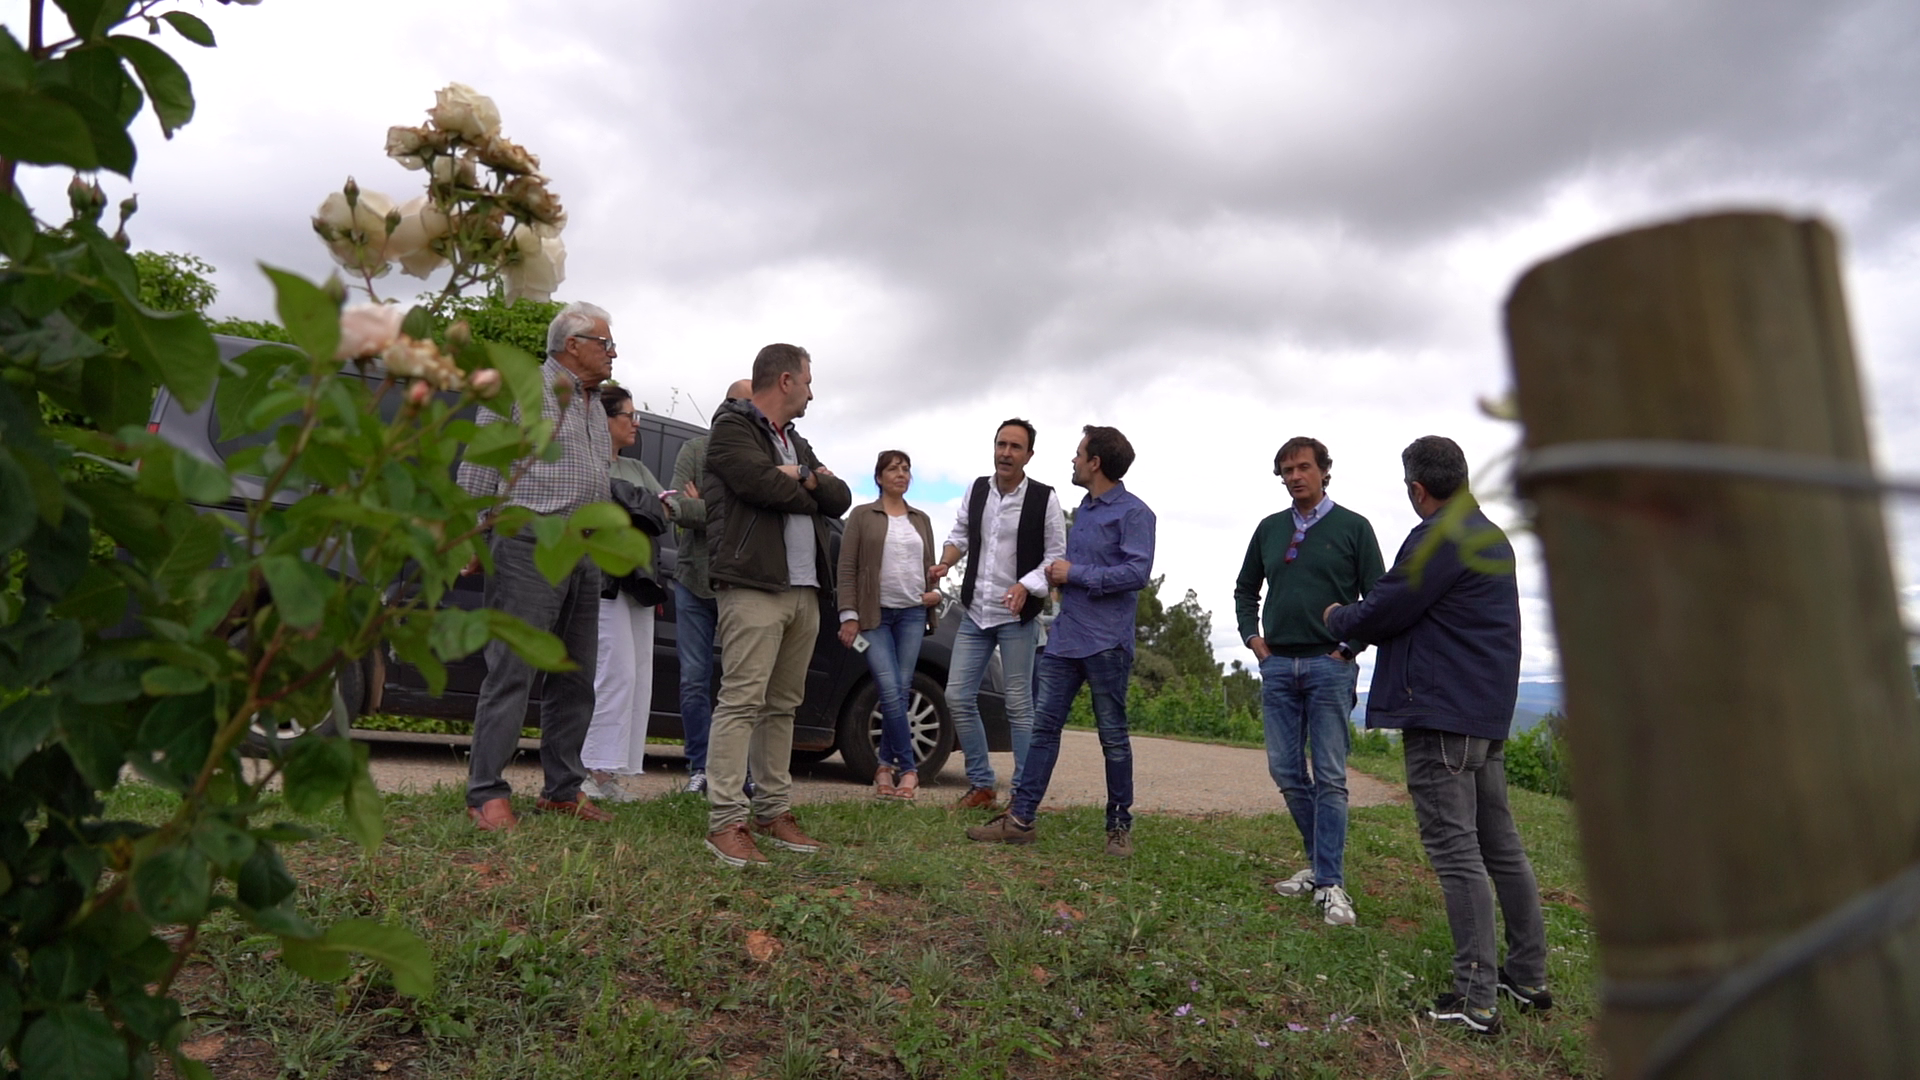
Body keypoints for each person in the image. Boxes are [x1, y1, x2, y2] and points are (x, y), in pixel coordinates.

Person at [1324, 435, 1550, 1035]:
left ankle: (1476, 998)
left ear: (1418, 489)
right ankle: (1528, 976)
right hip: (1483, 718)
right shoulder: (1490, 536)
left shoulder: (1438, 537)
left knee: (1457, 854)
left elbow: (1387, 608)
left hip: (1442, 717)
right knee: (1501, 847)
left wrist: (1338, 619)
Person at [453, 302, 620, 830]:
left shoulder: (593, 402)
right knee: (513, 671)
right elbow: (480, 466)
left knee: (576, 675)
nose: (614, 353)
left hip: (583, 549)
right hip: (528, 542)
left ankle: (562, 789)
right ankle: (485, 792)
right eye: (606, 343)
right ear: (572, 345)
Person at [969, 426, 1153, 857]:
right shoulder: (1084, 510)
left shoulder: (1135, 513)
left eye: (1078, 454)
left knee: (1112, 737)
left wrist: (1074, 574)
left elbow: (1136, 573)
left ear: (1096, 463)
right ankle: (1020, 820)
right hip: (1065, 639)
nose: (1072, 461)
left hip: (1107, 644)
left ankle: (1118, 828)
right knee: (1043, 730)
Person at [700, 344, 852, 866]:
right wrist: (801, 483)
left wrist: (802, 478)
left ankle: (771, 810)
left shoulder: (796, 442)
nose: (813, 391)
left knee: (782, 705)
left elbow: (840, 498)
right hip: (753, 585)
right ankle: (724, 820)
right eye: (808, 381)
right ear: (785, 380)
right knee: (742, 700)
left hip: (804, 590)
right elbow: (757, 483)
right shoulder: (731, 429)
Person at [1233, 437, 1384, 927]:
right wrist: (1253, 639)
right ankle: (1322, 870)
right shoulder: (1269, 529)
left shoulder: (1354, 528)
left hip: (1329, 667)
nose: (1294, 476)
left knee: (1332, 778)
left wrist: (1349, 649)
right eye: (1286, 470)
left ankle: (1330, 883)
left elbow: (1376, 599)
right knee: (1286, 771)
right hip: (1278, 666)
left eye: (1303, 467)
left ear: (1323, 472)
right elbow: (1245, 588)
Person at [930, 419, 1065, 810]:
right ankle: (983, 784)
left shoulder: (1044, 498)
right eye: (1001, 444)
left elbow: (1055, 557)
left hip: (1017, 616)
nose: (1006, 453)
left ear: (1029, 455)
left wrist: (1026, 586)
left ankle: (1023, 793)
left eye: (1015, 447)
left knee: (1019, 704)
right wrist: (944, 563)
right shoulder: (977, 490)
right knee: (957, 695)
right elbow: (959, 536)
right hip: (976, 610)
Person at [664, 378, 754, 794]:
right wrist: (720, 510)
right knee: (695, 679)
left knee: (742, 681)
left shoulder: (757, 455)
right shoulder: (695, 450)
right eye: (744, 405)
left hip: (739, 583)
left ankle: (739, 772)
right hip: (692, 580)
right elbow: (678, 509)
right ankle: (699, 767)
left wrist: (708, 507)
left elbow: (755, 515)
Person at [836, 450, 942, 799]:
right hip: (874, 616)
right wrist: (848, 615)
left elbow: (928, 567)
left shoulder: (921, 519)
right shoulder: (863, 515)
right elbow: (847, 567)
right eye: (894, 468)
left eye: (906, 468)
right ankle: (909, 770)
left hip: (912, 614)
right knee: (890, 688)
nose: (901, 473)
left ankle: (884, 768)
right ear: (879, 477)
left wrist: (935, 594)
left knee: (901, 687)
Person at [580, 386, 667, 803]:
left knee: (638, 676)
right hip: (604, 581)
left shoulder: (636, 469)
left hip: (640, 583)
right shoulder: (588, 462)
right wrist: (640, 505)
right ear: (605, 418)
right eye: (628, 415)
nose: (636, 423)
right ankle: (589, 771)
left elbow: (663, 511)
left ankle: (610, 772)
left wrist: (638, 504)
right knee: (613, 673)